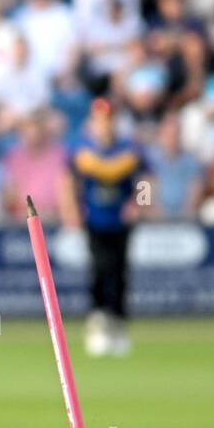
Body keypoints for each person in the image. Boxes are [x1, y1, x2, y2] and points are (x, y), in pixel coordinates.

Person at [62, 98, 144, 357]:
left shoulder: (129, 148)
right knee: (99, 269)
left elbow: (146, 180)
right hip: (94, 219)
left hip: (120, 220)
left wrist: (138, 204)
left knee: (120, 271)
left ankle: (118, 326)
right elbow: (67, 182)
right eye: (99, 120)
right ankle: (98, 324)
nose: (104, 125)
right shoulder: (81, 149)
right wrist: (72, 211)